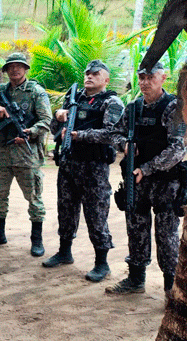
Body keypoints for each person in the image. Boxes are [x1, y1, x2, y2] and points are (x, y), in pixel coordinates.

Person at [106, 62, 187, 296]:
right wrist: (124, 144)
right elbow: (115, 133)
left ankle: (171, 287)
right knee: (136, 229)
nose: (145, 82)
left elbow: (177, 148)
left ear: (163, 78)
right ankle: (135, 279)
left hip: (165, 182)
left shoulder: (173, 107)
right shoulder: (133, 108)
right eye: (141, 77)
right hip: (137, 181)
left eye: (151, 77)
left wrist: (148, 168)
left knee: (166, 235)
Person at [42, 60, 123, 282]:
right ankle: (64, 252)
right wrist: (58, 116)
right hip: (69, 163)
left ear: (106, 80)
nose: (89, 76)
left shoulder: (111, 102)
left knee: (96, 214)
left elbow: (112, 134)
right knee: (66, 209)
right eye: (87, 73)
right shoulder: (74, 100)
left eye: (95, 74)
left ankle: (102, 263)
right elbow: (55, 130)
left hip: (94, 167)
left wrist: (80, 136)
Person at [0, 52, 52, 256]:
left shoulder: (36, 92)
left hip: (26, 155)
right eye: (11, 67)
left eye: (19, 66)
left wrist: (30, 132)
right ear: (6, 71)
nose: (15, 70)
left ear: (25, 69)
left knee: (34, 197)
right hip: (2, 153)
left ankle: (36, 240)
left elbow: (46, 121)